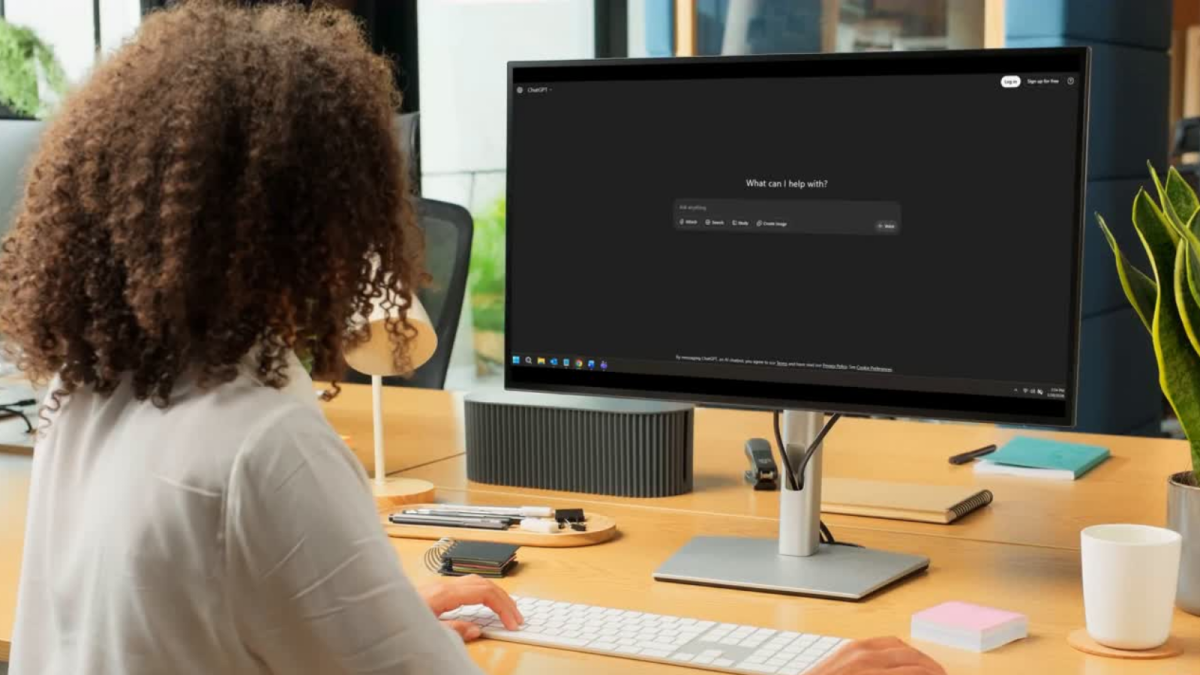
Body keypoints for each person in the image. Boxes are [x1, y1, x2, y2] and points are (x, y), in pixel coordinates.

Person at [0, 3, 945, 674]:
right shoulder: (262, 443)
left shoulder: (89, 389)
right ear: (318, 218)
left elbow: (195, 609)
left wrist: (370, 619)